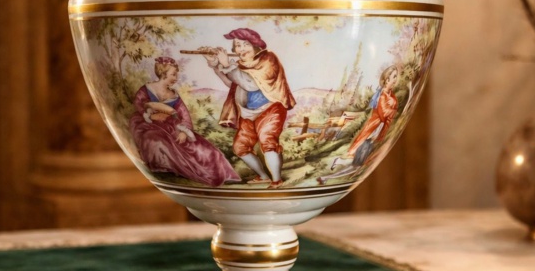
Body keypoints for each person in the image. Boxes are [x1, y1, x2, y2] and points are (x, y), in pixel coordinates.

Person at [202, 28, 296, 189]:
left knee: (267, 141)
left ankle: (277, 180)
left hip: (270, 109)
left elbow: (251, 85)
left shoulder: (268, 59)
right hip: (248, 113)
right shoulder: (241, 65)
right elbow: (233, 84)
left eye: (246, 44)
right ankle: (263, 176)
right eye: (238, 45)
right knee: (240, 147)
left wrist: (227, 65)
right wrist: (216, 65)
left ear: (255, 45)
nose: (241, 49)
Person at [129, 56, 241, 187]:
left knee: (205, 149)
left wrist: (184, 132)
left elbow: (185, 116)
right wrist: (149, 114)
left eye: (176, 74)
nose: (176, 77)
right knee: (156, 140)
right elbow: (139, 103)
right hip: (148, 125)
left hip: (172, 127)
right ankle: (166, 171)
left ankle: (223, 175)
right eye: (173, 74)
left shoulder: (174, 95)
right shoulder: (147, 89)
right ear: (163, 73)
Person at [318, 65, 399, 184]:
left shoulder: (390, 95)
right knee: (357, 165)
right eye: (394, 77)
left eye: (396, 76)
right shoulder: (382, 96)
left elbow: (393, 108)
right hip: (371, 134)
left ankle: (336, 165)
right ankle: (328, 175)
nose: (396, 79)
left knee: (358, 164)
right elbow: (384, 114)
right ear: (387, 80)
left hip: (376, 135)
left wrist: (393, 105)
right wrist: (393, 108)